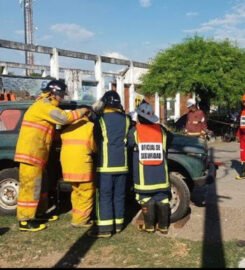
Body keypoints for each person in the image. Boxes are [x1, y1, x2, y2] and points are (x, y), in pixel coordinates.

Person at [14, 79, 89, 232]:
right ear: (54, 93)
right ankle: (25, 220)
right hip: (31, 154)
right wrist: (83, 110)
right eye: (61, 95)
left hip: (37, 154)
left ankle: (39, 214)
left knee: (39, 187)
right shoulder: (44, 106)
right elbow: (64, 118)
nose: (62, 98)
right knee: (30, 187)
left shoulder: (43, 106)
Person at [87, 90, 130, 238]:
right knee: (119, 196)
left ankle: (105, 229)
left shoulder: (100, 120)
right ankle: (118, 225)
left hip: (105, 166)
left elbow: (94, 143)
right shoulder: (127, 120)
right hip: (122, 165)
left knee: (105, 196)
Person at [127, 101, 173, 234]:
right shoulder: (162, 131)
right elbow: (170, 140)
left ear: (139, 117)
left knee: (146, 199)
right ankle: (163, 227)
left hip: (144, 176)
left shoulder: (134, 132)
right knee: (163, 199)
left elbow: (129, 145)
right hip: (161, 175)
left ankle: (149, 226)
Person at [60, 107, 97, 227]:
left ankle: (76, 216)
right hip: (82, 165)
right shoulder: (90, 127)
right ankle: (80, 220)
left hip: (68, 166)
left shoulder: (67, 129)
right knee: (86, 192)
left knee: (76, 191)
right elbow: (94, 147)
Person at [235, 94, 245, 180]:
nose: (244, 103)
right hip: (243, 138)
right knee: (243, 155)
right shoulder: (242, 112)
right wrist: (238, 135)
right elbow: (241, 126)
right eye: (244, 101)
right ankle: (243, 173)